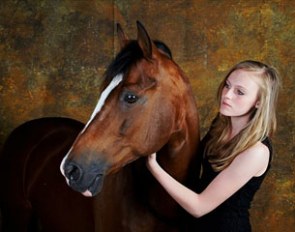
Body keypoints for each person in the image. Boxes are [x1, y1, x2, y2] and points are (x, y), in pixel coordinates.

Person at [146, 60, 280, 231]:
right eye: (227, 85)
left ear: (259, 102)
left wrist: (153, 166)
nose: (227, 95)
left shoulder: (256, 151)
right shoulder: (220, 125)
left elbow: (199, 206)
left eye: (240, 92)